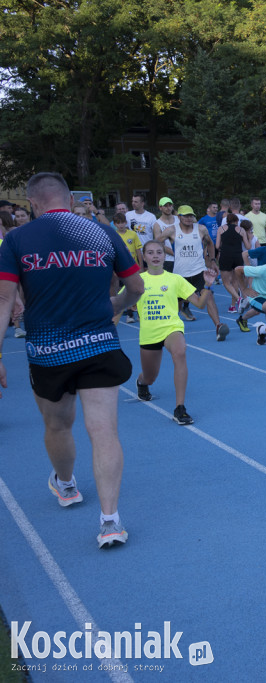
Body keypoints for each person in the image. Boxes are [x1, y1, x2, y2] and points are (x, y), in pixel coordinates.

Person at [0, 172, 144, 547]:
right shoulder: (101, 232)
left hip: (48, 352)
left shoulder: (16, 239)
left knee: (58, 425)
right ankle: (110, 522)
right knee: (104, 432)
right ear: (68, 199)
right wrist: (117, 305)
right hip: (98, 344)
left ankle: (66, 486)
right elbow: (136, 287)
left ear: (32, 203)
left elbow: (4, 300)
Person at [132, 241, 227, 426]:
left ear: (164, 255)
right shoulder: (137, 281)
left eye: (159, 252)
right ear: (144, 257)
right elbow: (120, 304)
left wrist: (207, 286)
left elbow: (199, 304)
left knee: (180, 351)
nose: (155, 255)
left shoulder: (175, 279)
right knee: (150, 376)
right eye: (150, 253)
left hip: (171, 327)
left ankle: (180, 408)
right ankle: (142, 382)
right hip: (149, 333)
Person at [158, 205, 220, 322]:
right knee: (176, 303)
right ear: (179, 217)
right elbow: (156, 243)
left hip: (199, 271)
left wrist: (212, 261)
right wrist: (168, 252)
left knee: (209, 296)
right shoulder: (171, 230)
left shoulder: (201, 229)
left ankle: (218, 326)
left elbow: (210, 244)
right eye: (185, 216)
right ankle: (171, 325)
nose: (189, 218)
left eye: (191, 215)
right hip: (180, 274)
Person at [111, 212, 143, 323]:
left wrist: (141, 265)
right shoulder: (114, 235)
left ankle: (139, 312)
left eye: (122, 222)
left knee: (136, 290)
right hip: (120, 268)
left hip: (133, 267)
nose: (121, 225)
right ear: (114, 224)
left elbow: (138, 250)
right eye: (118, 223)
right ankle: (129, 314)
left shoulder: (132, 234)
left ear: (126, 222)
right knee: (124, 291)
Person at [217, 212, 251, 313]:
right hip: (237, 256)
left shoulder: (221, 229)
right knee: (235, 282)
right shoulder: (241, 230)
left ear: (227, 221)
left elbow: (217, 245)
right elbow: (248, 247)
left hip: (226, 255)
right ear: (237, 221)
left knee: (226, 282)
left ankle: (239, 299)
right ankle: (232, 306)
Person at [153, 196, 178, 272]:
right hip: (168, 260)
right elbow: (159, 244)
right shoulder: (157, 224)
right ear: (160, 208)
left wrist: (178, 213)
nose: (168, 208)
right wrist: (175, 253)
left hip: (182, 258)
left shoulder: (179, 219)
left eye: (170, 205)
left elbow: (194, 221)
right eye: (165, 206)